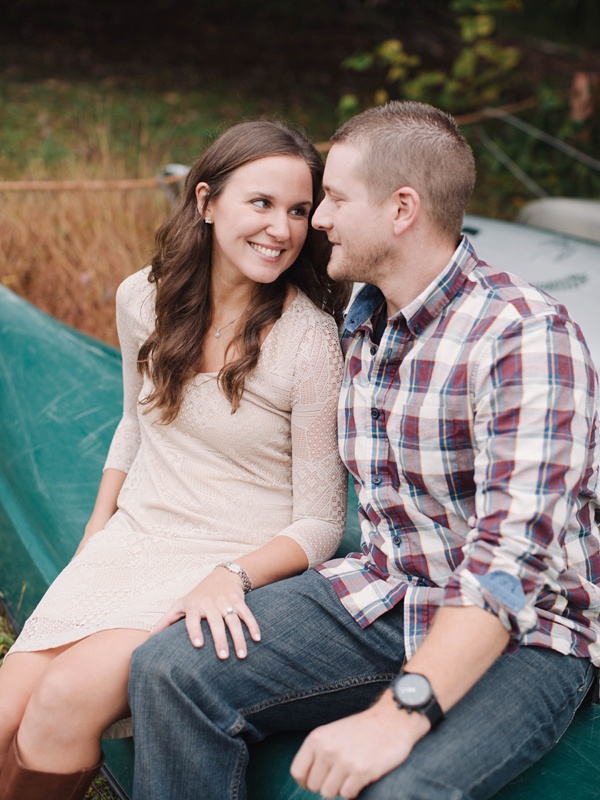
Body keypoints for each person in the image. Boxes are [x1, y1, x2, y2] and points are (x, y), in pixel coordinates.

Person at [128, 100, 600, 800]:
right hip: (387, 590)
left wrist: (401, 711)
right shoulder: (364, 319)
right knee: (169, 670)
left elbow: (509, 570)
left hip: (525, 634)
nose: (316, 220)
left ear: (402, 208)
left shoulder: (525, 339)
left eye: (335, 200)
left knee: (397, 791)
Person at [0, 119, 350, 800]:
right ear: (204, 201)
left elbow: (320, 524)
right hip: (134, 539)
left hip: (226, 561)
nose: (282, 228)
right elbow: (137, 423)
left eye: (299, 210)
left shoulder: (309, 343)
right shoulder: (142, 298)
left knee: (65, 699)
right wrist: (96, 532)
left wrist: (232, 575)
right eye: (262, 203)